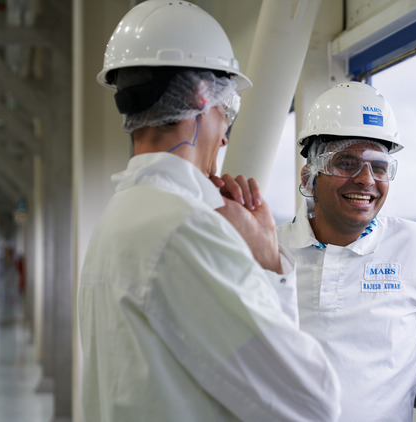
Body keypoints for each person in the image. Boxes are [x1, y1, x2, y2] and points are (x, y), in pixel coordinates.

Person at [77, 1, 340, 421]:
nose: (223, 139)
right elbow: (311, 401)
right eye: (226, 113)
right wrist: (266, 257)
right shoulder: (184, 230)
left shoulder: (119, 216)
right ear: (201, 99)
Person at [226, 81, 416, 421]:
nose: (366, 180)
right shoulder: (268, 248)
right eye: (346, 163)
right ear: (309, 175)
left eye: (379, 166)